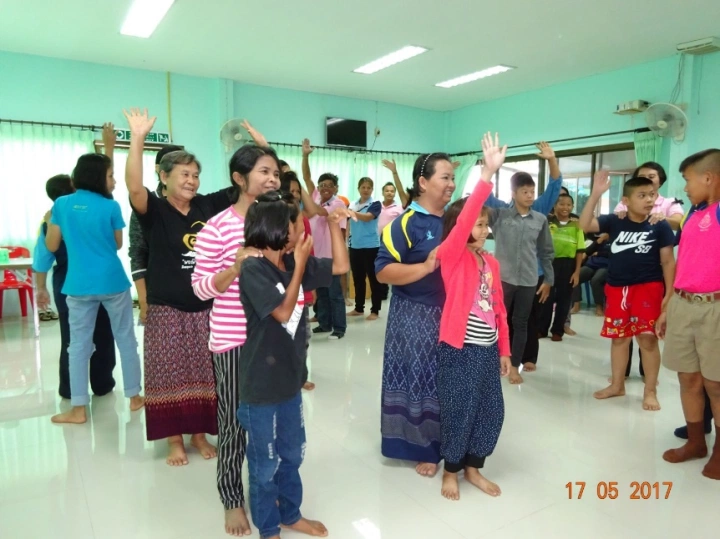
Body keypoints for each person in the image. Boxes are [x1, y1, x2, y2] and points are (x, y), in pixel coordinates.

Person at [237, 191, 351, 539]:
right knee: (264, 463)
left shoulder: (291, 262)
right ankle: (268, 528)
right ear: (275, 228)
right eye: (293, 223)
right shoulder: (254, 268)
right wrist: (300, 264)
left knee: (292, 454)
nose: (300, 227)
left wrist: (334, 227)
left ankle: (290, 513)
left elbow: (341, 266)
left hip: (289, 382)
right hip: (260, 387)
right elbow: (283, 312)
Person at [124, 108, 231, 465]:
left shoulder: (206, 205)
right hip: (166, 306)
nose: (192, 180)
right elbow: (134, 187)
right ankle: (174, 440)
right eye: (184, 174)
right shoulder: (153, 210)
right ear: (164, 176)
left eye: (196, 174)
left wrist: (263, 152)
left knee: (203, 372)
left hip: (205, 307)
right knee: (168, 373)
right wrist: (137, 138)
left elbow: (242, 188)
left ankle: (199, 435)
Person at [191, 144, 281, 536]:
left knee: (271, 424)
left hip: (272, 341)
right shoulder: (217, 227)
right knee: (233, 424)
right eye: (263, 171)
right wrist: (235, 267)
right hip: (233, 341)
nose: (272, 179)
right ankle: (231, 499)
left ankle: (266, 488)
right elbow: (199, 289)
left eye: (275, 173)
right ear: (239, 179)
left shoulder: (279, 223)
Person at [435, 133, 511, 501]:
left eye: (486, 224)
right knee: (459, 411)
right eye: (478, 225)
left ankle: (473, 467)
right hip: (459, 349)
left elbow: (499, 310)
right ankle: (451, 470)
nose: (484, 230)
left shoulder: (490, 262)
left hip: (486, 350)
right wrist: (486, 176)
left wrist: (505, 351)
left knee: (490, 412)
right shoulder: (452, 256)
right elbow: (464, 222)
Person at [45, 153, 144, 424]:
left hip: (78, 285)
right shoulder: (110, 206)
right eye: (111, 176)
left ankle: (78, 408)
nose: (113, 181)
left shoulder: (62, 205)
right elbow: (117, 245)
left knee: (78, 346)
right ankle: (135, 397)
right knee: (125, 339)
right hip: (112, 281)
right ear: (99, 177)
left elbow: (52, 245)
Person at [375, 152, 454, 477]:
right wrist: (424, 267)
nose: (451, 184)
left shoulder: (453, 221)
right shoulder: (406, 223)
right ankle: (420, 447)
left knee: (446, 381)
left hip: (451, 313)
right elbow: (382, 271)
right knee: (417, 380)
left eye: (452, 177)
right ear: (423, 182)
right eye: (444, 178)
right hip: (415, 316)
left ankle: (450, 442)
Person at [579, 172, 675, 411]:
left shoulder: (659, 224)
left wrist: (669, 294)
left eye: (651, 195)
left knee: (647, 340)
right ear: (626, 200)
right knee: (619, 338)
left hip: (648, 288)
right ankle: (617, 385)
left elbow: (668, 262)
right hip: (617, 288)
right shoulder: (615, 220)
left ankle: (650, 391)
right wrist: (596, 194)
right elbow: (583, 225)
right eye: (641, 195)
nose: (649, 200)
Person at [657, 149, 720, 479]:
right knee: (688, 377)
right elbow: (688, 261)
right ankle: (696, 441)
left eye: (687, 180)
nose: (685, 187)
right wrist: (669, 305)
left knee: (716, 383)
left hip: (715, 307)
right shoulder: (695, 213)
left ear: (708, 178)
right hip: (683, 302)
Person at [484, 142, 562, 383]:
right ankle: (492, 363)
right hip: (502, 279)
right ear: (514, 193)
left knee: (521, 323)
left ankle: (515, 365)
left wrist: (548, 279)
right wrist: (488, 166)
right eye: (525, 191)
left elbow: (546, 251)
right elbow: (484, 194)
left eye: (532, 191)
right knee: (497, 321)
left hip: (528, 280)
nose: (530, 195)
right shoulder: (499, 214)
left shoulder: (539, 216)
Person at [34, 174, 116, 400]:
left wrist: (40, 288)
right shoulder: (90, 214)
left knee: (71, 338)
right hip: (98, 280)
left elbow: (42, 257)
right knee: (102, 334)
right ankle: (103, 384)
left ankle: (70, 389)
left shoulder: (49, 221)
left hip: (66, 284)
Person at [129, 143, 183, 325]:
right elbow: (137, 253)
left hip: (199, 299)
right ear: (161, 172)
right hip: (160, 299)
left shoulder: (200, 205)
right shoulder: (147, 206)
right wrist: (144, 301)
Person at [301, 138, 348, 339]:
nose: (324, 188)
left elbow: (319, 212)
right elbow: (306, 176)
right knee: (322, 293)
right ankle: (324, 323)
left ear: (336, 188)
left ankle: (339, 328)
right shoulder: (316, 197)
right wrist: (304, 156)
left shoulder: (338, 204)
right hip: (316, 255)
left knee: (335, 294)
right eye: (321, 185)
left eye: (329, 185)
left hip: (331, 257)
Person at [538, 193, 585, 341]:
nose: (565, 207)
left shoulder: (577, 225)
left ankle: (558, 330)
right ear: (555, 206)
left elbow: (580, 250)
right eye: (561, 204)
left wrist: (577, 272)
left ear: (572, 206)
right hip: (549, 264)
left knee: (565, 300)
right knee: (546, 297)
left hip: (568, 265)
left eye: (568, 205)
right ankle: (542, 329)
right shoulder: (547, 222)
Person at [347, 177, 383, 321]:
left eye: (369, 187)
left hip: (371, 246)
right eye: (363, 187)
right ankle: (359, 308)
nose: (366, 190)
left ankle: (375, 310)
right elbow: (349, 223)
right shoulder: (353, 204)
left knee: (374, 279)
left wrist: (351, 213)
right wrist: (346, 239)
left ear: (372, 190)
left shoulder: (375, 204)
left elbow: (368, 217)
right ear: (359, 189)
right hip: (355, 246)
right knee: (358, 279)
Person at [614, 161, 684, 231]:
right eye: (641, 177)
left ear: (660, 181)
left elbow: (679, 224)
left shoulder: (670, 203)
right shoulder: (626, 202)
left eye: (651, 177)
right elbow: (613, 226)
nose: (646, 180)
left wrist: (662, 219)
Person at [378, 160, 408, 300]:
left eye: (392, 191)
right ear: (383, 192)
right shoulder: (376, 205)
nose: (389, 193)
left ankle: (394, 291)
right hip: (377, 241)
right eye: (387, 191)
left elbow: (402, 190)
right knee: (380, 266)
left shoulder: (400, 206)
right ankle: (381, 293)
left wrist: (394, 172)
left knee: (393, 267)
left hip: (394, 242)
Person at [571, 232, 610, 316]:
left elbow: (615, 254)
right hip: (591, 264)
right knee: (575, 276)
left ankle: (599, 306)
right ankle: (576, 304)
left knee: (595, 280)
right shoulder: (598, 239)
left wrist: (599, 253)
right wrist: (598, 241)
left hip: (606, 266)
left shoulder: (616, 238)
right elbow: (588, 251)